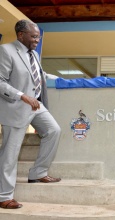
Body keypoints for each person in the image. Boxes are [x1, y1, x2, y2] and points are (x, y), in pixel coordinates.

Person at [0, 19, 61, 209]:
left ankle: (38, 172)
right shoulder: (6, 50)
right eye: (34, 36)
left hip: (36, 105)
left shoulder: (33, 53)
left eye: (39, 37)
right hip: (16, 106)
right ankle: (4, 196)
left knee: (53, 131)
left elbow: (37, 75)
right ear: (21, 35)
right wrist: (22, 96)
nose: (37, 40)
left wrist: (59, 79)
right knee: (10, 153)